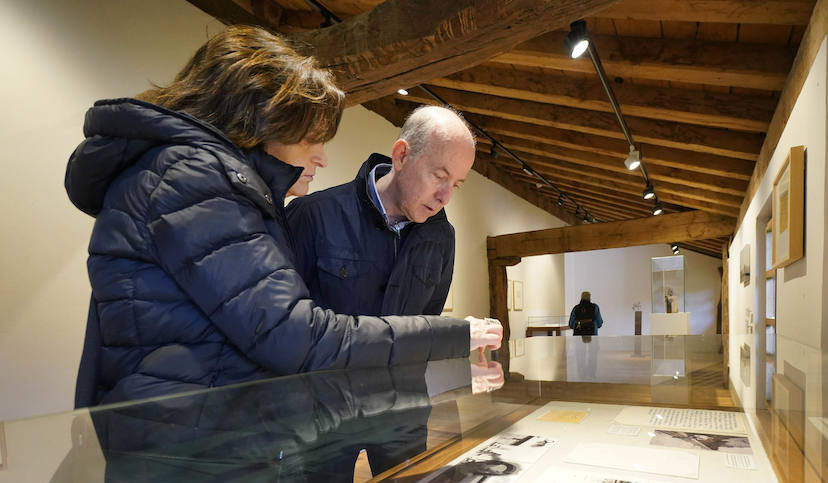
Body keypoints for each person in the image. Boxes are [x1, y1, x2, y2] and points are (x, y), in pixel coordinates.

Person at [64, 26, 501, 408]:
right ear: (260, 121)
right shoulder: (192, 180)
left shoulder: (201, 180)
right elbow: (294, 335)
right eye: (311, 137)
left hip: (211, 436)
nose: (322, 157)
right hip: (192, 451)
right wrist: (451, 335)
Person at [285, 104, 476, 316]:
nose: (445, 198)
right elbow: (283, 322)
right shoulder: (312, 214)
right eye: (439, 177)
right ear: (401, 155)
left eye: (455, 185)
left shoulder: (442, 238)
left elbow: (428, 332)